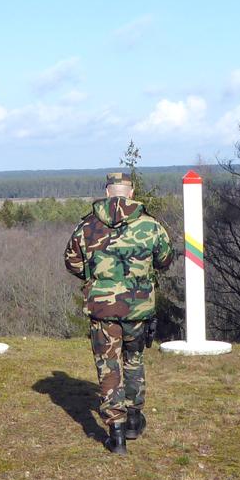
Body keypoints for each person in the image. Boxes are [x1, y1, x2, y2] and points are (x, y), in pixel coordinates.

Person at [64, 171, 175, 454]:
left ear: (107, 192)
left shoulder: (87, 226)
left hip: (102, 308)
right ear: (131, 192)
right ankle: (134, 419)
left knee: (108, 365)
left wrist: (97, 279)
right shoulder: (150, 226)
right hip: (138, 307)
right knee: (133, 359)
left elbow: (72, 262)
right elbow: (165, 259)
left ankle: (116, 433)